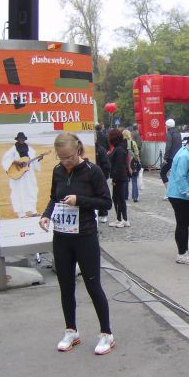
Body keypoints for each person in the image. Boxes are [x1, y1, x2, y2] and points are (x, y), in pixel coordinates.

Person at [39, 132, 114, 355]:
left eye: (69, 158)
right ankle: (71, 330)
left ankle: (106, 334)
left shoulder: (93, 172)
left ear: (78, 151)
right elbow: (54, 197)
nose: (65, 162)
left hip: (85, 236)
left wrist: (79, 200)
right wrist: (46, 215)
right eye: (61, 158)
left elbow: (106, 202)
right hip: (62, 237)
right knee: (65, 286)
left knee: (93, 285)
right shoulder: (57, 171)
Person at [166, 135, 189, 264]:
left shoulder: (185, 152)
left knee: (183, 224)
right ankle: (182, 253)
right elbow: (181, 177)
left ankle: (184, 251)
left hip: (179, 194)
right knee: (182, 224)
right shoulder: (185, 156)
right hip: (179, 195)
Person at [1, 132, 45, 218]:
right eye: (20, 139)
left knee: (32, 190)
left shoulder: (30, 150)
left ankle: (32, 210)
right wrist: (15, 162)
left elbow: (33, 161)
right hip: (18, 175)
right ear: (17, 139)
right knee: (18, 192)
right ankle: (21, 213)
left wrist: (38, 159)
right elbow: (6, 160)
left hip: (28, 174)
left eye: (23, 139)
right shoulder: (13, 149)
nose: (21, 140)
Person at [108, 129, 131, 228]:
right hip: (118, 177)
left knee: (120, 199)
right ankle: (119, 218)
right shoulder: (118, 148)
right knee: (116, 198)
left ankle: (125, 219)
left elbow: (119, 166)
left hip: (119, 178)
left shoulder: (119, 150)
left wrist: (115, 179)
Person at [160, 118, 181, 190]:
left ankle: (169, 191)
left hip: (170, 157)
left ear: (168, 125)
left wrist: (165, 158)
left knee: (163, 173)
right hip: (178, 156)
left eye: (166, 125)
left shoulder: (169, 133)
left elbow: (168, 146)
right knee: (175, 174)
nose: (165, 126)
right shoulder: (178, 133)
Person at [95, 133, 111, 223]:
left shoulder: (100, 149)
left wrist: (104, 176)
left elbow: (106, 164)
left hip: (100, 176)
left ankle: (103, 213)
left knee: (102, 195)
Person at [122, 129, 141, 202]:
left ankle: (125, 196)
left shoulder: (122, 143)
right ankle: (135, 197)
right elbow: (137, 153)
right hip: (133, 164)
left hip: (125, 164)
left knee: (126, 180)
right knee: (134, 180)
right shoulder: (133, 142)